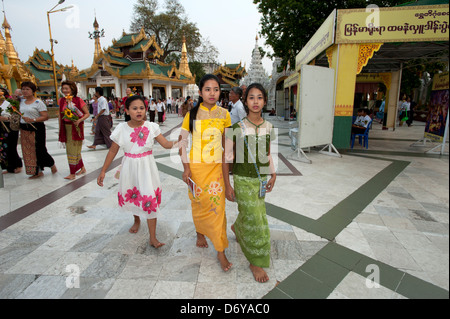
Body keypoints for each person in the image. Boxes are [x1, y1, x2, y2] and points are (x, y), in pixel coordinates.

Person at [97, 95, 178, 248]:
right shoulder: (121, 129)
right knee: (134, 194)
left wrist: (180, 141)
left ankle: (153, 237)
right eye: (134, 108)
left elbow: (166, 144)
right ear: (126, 110)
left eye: (141, 108)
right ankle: (136, 219)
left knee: (149, 200)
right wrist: (102, 171)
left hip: (147, 168)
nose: (139, 111)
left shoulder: (151, 126)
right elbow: (113, 151)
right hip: (130, 167)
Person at [179, 74, 233, 272]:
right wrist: (186, 168)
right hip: (196, 168)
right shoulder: (191, 115)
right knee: (199, 202)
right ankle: (200, 232)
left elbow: (228, 145)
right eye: (208, 89)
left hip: (216, 168)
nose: (212, 93)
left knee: (218, 208)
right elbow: (182, 143)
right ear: (200, 92)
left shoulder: (225, 114)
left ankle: (220, 250)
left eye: (216, 89)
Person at [223, 83, 276, 283]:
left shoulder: (269, 127)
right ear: (245, 101)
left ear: (264, 101)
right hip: (243, 180)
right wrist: (228, 185)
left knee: (254, 213)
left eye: (259, 97)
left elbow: (268, 153)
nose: (255, 101)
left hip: (261, 180)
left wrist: (273, 174)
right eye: (251, 97)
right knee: (257, 220)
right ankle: (255, 260)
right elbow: (227, 158)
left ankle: (237, 226)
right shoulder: (235, 128)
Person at [19, 81, 57, 179]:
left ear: (33, 91)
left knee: (39, 150)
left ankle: (51, 164)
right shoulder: (21, 102)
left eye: (27, 89)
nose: (25, 91)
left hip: (36, 128)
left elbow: (45, 116)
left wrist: (33, 120)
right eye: (23, 89)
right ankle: (37, 171)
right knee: (28, 150)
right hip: (24, 128)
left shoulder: (38, 102)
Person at [58, 81, 90, 180]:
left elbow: (87, 113)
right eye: (63, 89)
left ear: (72, 89)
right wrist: (60, 127)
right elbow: (60, 115)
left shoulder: (78, 100)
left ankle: (72, 173)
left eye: (67, 88)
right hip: (66, 127)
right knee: (72, 150)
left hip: (76, 127)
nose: (65, 91)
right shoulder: (61, 100)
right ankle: (82, 168)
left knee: (73, 150)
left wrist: (79, 121)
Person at [0, 88, 23, 174]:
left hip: (9, 127)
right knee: (2, 147)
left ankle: (16, 164)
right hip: (0, 127)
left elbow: (16, 116)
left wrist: (5, 118)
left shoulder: (9, 104)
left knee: (11, 146)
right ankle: (4, 166)